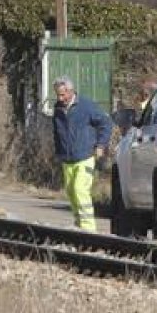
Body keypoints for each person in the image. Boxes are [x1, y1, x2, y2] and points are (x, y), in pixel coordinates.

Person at [52, 76, 113, 232]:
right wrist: (59, 152)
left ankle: (88, 229)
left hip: (85, 157)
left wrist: (100, 145)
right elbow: (57, 133)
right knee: (71, 192)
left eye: (63, 95)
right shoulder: (57, 109)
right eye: (58, 95)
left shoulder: (86, 106)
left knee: (80, 190)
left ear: (71, 91)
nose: (60, 98)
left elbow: (105, 123)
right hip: (67, 159)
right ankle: (79, 225)